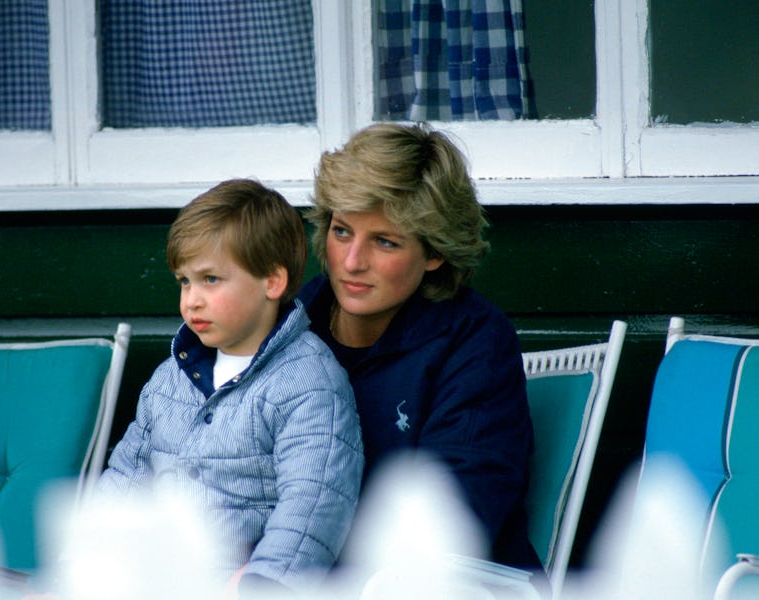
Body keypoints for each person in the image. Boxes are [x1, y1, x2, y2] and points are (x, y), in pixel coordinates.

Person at [96, 179, 364, 596]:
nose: (192, 300)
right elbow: (125, 479)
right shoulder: (169, 379)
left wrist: (264, 583)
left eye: (210, 280)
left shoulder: (309, 384)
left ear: (272, 282)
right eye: (184, 281)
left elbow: (314, 502)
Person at [298, 123, 543, 579]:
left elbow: (451, 524)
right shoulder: (289, 323)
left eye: (384, 241)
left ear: (434, 252)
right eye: (342, 231)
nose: (352, 261)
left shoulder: (474, 343)